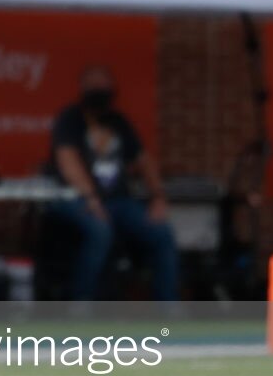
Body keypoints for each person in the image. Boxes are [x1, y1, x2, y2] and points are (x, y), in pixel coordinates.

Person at [44, 66, 179, 301]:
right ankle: (81, 304)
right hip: (76, 198)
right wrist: (91, 197)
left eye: (104, 86)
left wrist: (158, 196)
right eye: (94, 86)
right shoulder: (70, 119)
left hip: (118, 201)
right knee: (100, 231)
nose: (100, 92)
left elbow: (144, 160)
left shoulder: (118, 122)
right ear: (83, 89)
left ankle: (167, 308)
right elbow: (68, 162)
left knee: (162, 233)